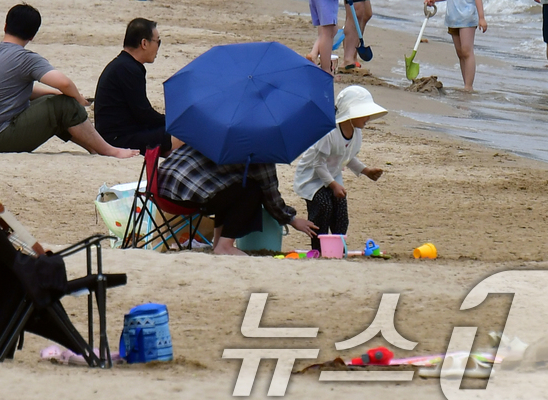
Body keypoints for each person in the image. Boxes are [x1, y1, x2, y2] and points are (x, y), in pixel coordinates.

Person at [0, 3, 137, 157]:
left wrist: (55, 93)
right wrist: (78, 99)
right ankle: (110, 150)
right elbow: (64, 83)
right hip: (2, 137)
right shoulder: (24, 58)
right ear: (33, 35)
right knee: (64, 105)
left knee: (56, 101)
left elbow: (14, 90)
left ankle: (94, 147)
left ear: (5, 26)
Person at [157, 141, 316, 256]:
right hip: (185, 194)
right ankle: (224, 246)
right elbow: (270, 194)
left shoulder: (219, 126)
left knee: (227, 185)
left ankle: (218, 243)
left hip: (161, 185)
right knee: (252, 189)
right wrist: (292, 219)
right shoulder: (259, 149)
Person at [292, 85, 385, 252]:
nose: (368, 117)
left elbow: (346, 157)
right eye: (363, 113)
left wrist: (366, 171)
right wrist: (333, 185)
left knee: (341, 209)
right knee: (323, 206)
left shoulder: (356, 133)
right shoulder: (329, 133)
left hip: (332, 175)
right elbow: (318, 164)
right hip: (312, 177)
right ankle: (318, 248)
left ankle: (337, 247)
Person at [94, 18, 176, 153]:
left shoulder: (123, 65)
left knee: (171, 135)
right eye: (158, 42)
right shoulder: (128, 69)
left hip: (117, 134)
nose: (158, 47)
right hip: (118, 139)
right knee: (182, 134)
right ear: (144, 43)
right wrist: (173, 122)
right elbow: (144, 114)